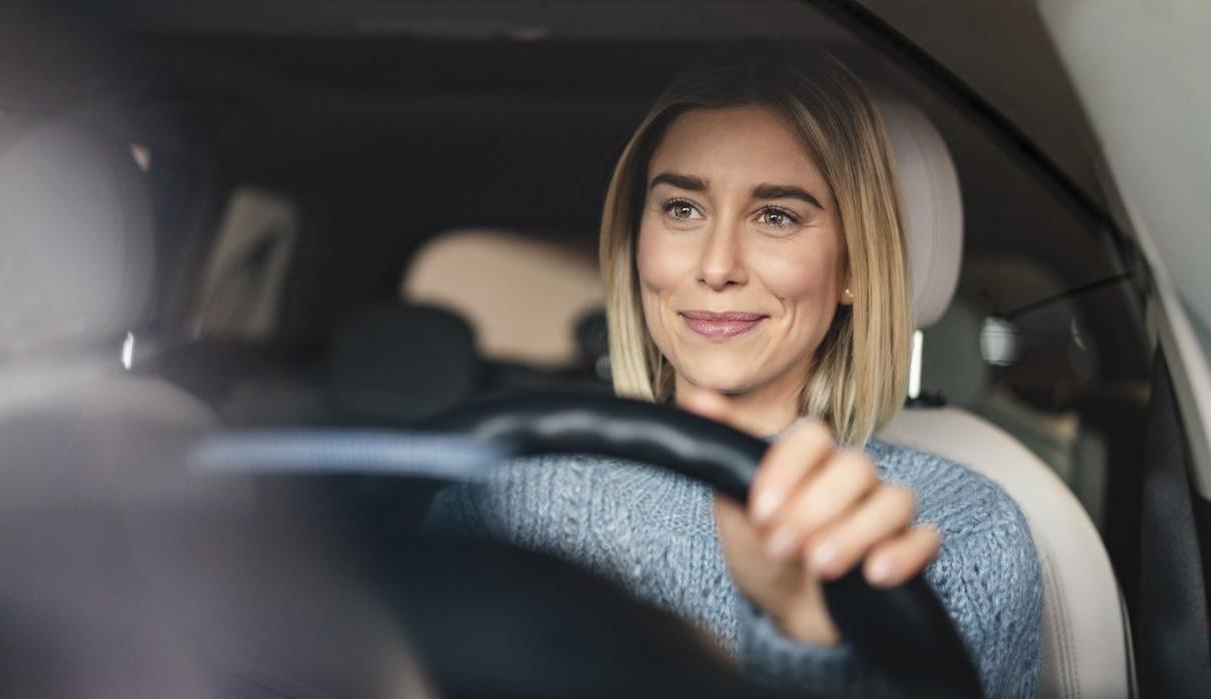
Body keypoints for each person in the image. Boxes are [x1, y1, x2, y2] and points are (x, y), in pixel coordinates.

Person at [428, 47, 1041, 697]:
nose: (717, 265)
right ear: (637, 240)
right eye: (682, 209)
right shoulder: (503, 495)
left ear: (855, 267)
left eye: (776, 216)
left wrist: (805, 634)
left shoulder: (962, 530)